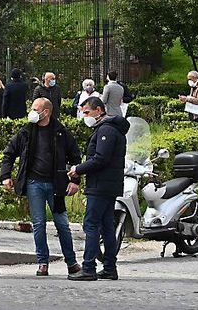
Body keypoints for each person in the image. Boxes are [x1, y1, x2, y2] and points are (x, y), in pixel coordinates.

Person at [0, 97, 83, 276]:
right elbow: (9, 153)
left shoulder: (60, 132)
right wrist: (5, 176)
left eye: (35, 109)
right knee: (38, 224)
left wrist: (75, 181)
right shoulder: (26, 132)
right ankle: (42, 262)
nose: (32, 111)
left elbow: (76, 157)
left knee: (62, 224)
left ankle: (71, 262)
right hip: (34, 183)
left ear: (46, 112)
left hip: (56, 184)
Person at [68, 96, 129, 281]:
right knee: (106, 226)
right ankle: (110, 267)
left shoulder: (106, 130)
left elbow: (100, 158)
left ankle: (89, 267)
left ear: (99, 110)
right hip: (107, 184)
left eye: (87, 112)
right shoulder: (109, 128)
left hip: (101, 185)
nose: (84, 116)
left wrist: (78, 169)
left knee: (92, 225)